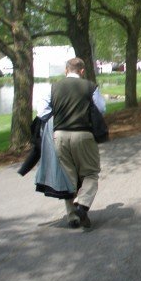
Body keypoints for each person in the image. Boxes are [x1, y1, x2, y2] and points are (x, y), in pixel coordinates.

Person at [37, 57, 106, 229]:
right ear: (82, 71)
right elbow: (102, 109)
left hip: (59, 135)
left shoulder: (52, 88)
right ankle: (82, 204)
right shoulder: (90, 87)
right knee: (90, 173)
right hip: (83, 134)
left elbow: (42, 111)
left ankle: (72, 217)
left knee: (69, 177)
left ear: (66, 70)